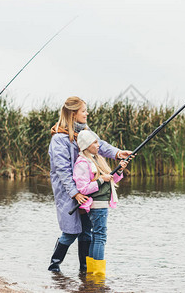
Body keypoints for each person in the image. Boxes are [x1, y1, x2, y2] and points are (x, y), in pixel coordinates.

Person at [48, 96, 132, 272]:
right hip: (69, 191)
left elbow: (99, 146)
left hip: (87, 188)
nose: (87, 113)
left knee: (86, 231)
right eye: (83, 111)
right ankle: (54, 266)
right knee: (71, 232)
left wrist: (118, 153)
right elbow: (62, 171)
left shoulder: (85, 131)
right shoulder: (58, 139)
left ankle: (84, 270)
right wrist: (75, 193)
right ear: (73, 114)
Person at [73, 130, 129, 277]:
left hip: (102, 203)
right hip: (96, 205)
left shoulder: (96, 159)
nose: (99, 145)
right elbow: (83, 189)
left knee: (96, 236)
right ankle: (98, 275)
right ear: (86, 145)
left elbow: (112, 180)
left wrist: (119, 171)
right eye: (95, 142)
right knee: (100, 237)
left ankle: (91, 274)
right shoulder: (82, 163)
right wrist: (100, 180)